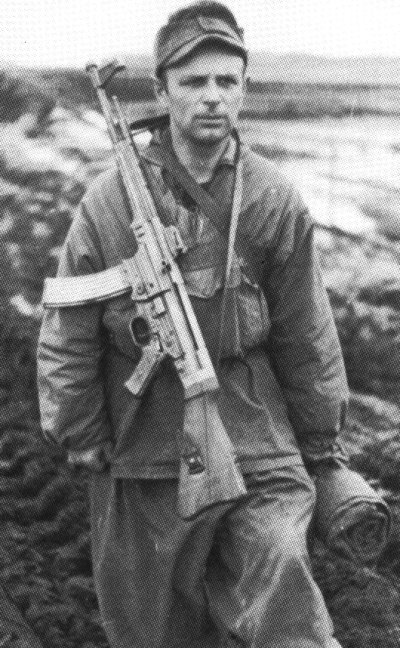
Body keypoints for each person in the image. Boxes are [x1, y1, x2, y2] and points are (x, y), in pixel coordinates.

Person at [37, 2, 350, 647]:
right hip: (144, 440)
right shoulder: (109, 202)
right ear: (162, 92)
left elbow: (306, 333)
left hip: (256, 432)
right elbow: (69, 326)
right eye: (193, 82)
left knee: (282, 590)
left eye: (227, 81)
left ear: (245, 90)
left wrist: (322, 450)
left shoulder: (271, 197)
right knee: (153, 626)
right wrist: (80, 430)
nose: (212, 97)